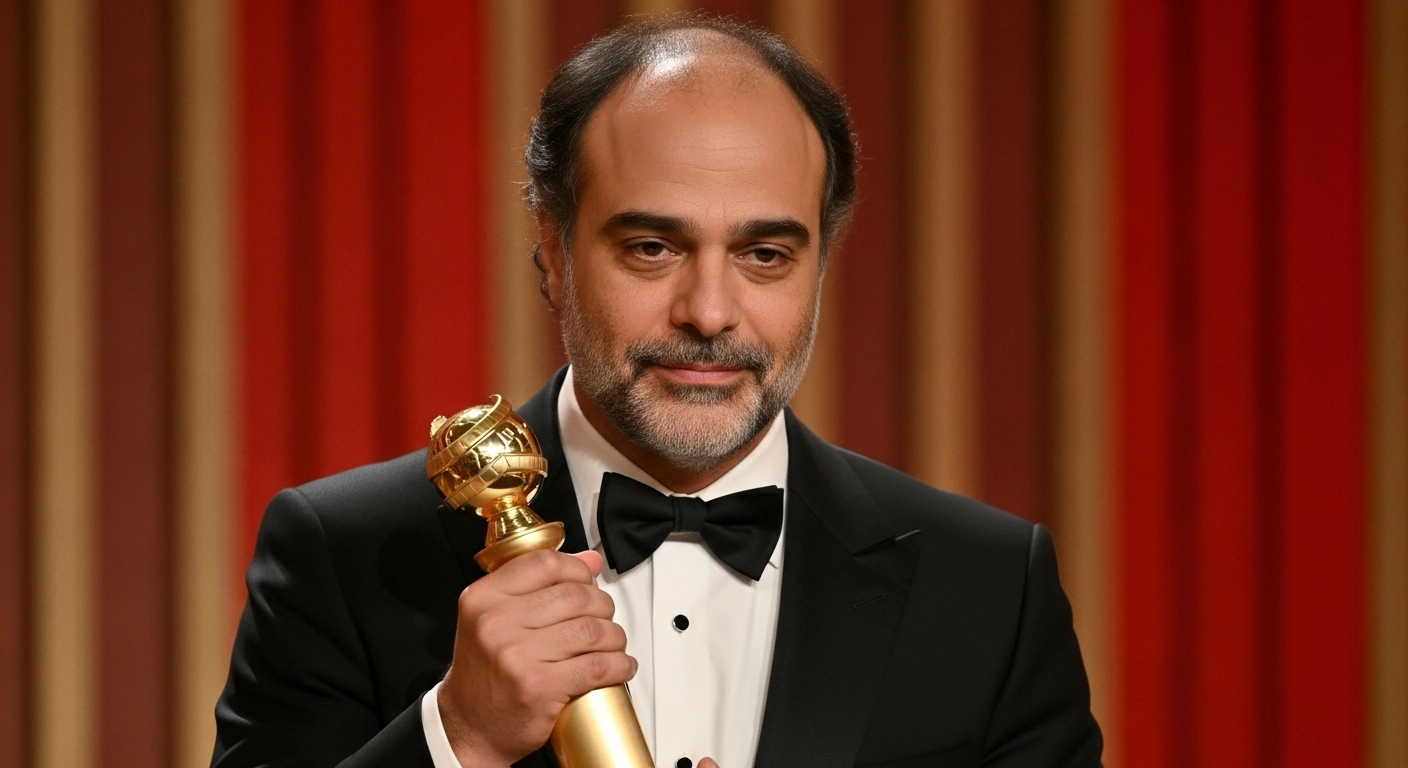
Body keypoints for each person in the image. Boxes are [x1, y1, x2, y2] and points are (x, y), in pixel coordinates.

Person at [212, 14, 1102, 768]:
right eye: (652, 248)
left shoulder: (989, 590)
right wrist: (459, 738)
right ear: (553, 248)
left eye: (765, 254)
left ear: (821, 265)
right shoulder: (346, 554)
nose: (709, 312)